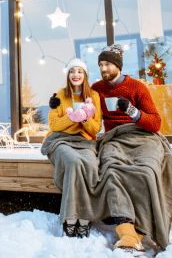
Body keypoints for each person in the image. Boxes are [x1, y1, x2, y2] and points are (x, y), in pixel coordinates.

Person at [91, 44, 172, 253]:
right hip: (114, 138)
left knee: (147, 171)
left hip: (142, 136)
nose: (103, 69)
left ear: (117, 65)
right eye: (100, 65)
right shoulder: (97, 89)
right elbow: (83, 104)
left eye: (107, 64)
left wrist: (132, 111)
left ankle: (143, 228)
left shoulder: (137, 88)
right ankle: (127, 232)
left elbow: (155, 122)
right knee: (112, 171)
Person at [40, 58, 102, 238]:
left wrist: (84, 119)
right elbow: (54, 124)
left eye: (80, 71)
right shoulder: (60, 95)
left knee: (90, 166)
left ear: (85, 75)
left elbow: (95, 128)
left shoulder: (94, 96)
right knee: (74, 163)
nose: (76, 75)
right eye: (72, 71)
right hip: (61, 140)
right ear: (68, 75)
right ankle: (70, 218)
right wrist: (72, 118)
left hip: (85, 142)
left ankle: (84, 218)